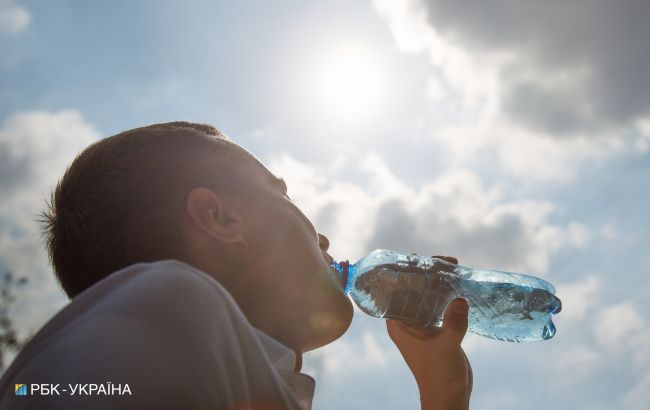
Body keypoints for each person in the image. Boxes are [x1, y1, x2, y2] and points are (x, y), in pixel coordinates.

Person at [0, 122, 472, 409]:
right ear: (221, 219)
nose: (322, 236)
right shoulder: (169, 303)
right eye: (282, 194)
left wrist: (444, 393)